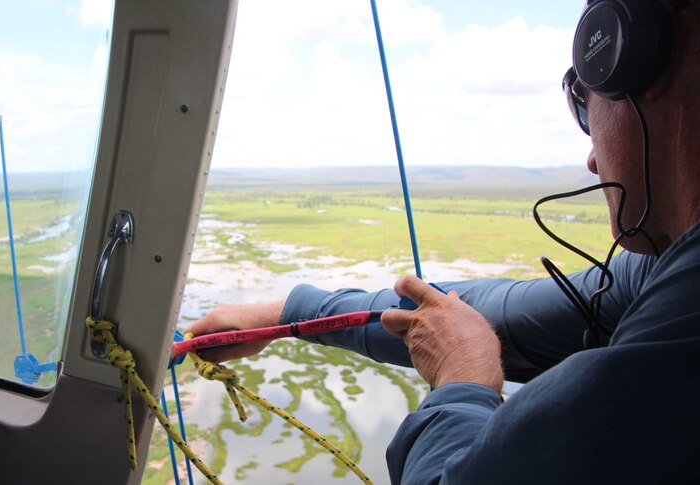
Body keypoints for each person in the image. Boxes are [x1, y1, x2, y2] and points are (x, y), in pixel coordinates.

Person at [186, 1, 700, 482]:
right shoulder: (665, 270)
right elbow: (482, 313)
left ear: (637, 62)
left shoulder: (683, 332)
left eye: (584, 108)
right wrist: (287, 316)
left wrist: (462, 383)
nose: (591, 158)